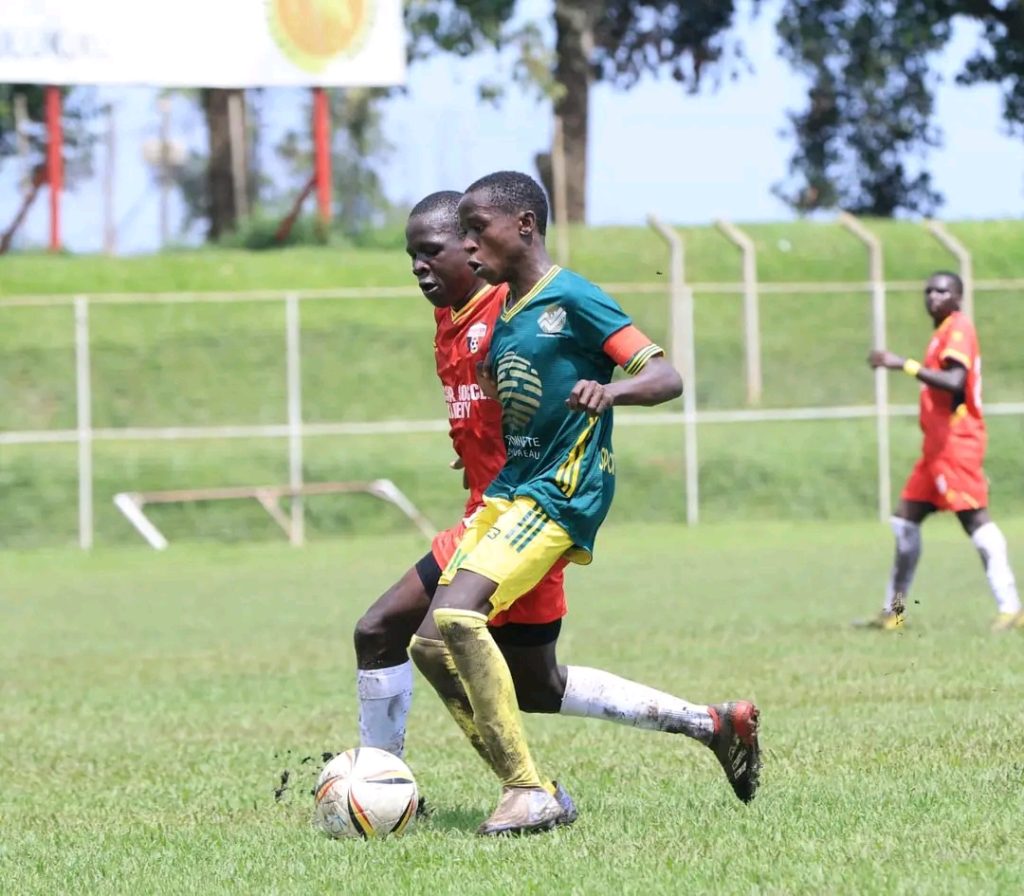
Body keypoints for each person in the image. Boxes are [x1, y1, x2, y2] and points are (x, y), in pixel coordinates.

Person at [355, 191, 761, 833]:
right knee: (528, 683)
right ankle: (708, 723)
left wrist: (608, 394)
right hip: (497, 504)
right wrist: (474, 446)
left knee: (413, 630)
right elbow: (507, 401)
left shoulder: (530, 298)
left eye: (440, 247)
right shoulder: (470, 316)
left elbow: (649, 373)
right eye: (415, 254)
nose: (422, 266)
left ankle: (487, 789)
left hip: (537, 505)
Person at [855, 270, 1021, 632]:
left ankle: (1011, 608)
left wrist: (903, 364)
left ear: (958, 297)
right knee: (904, 522)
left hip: (956, 443)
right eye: (929, 291)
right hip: (934, 448)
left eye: (942, 291)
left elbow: (955, 380)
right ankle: (895, 611)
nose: (933, 296)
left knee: (975, 519)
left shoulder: (958, 328)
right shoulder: (942, 332)